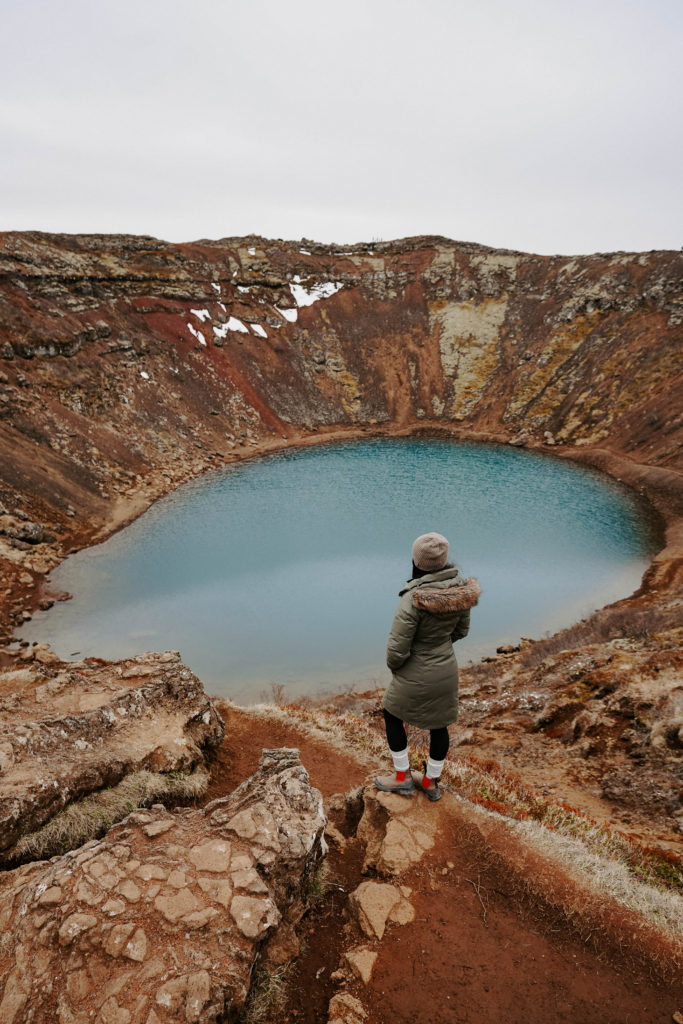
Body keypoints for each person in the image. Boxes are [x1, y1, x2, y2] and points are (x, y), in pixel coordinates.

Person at [375, 532, 480, 802]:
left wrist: (399, 669)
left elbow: (396, 650)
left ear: (417, 561)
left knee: (391, 713)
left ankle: (402, 778)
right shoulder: (461, 591)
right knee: (439, 725)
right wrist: (439, 646)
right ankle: (432, 782)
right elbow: (461, 632)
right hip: (446, 670)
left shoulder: (413, 598)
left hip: (415, 669)